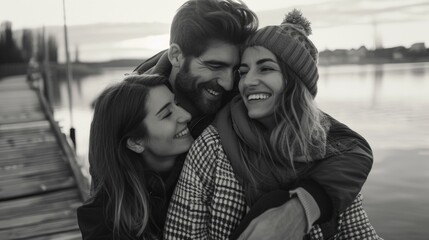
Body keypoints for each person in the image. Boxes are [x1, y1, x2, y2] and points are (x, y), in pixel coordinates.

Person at [163, 9, 381, 240]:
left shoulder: (329, 154)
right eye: (244, 72)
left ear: (294, 83)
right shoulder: (213, 145)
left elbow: (358, 229)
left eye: (266, 68)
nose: (245, 82)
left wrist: (304, 207)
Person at [77, 74, 194, 239]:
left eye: (177, 104)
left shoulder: (203, 169)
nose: (187, 115)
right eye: (167, 114)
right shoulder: (103, 219)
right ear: (135, 142)